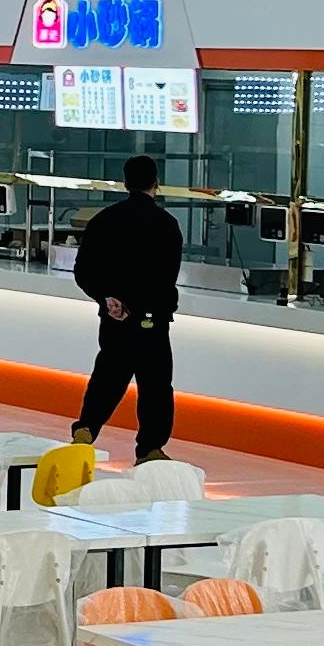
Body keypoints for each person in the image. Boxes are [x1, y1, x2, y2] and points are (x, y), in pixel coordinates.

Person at [70, 155, 185, 464]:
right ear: (156, 183)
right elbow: (167, 278)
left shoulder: (104, 220)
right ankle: (150, 448)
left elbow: (83, 271)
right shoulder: (167, 224)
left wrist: (106, 298)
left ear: (125, 183)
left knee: (108, 376)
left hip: (115, 318)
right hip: (153, 320)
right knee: (156, 386)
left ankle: (86, 428)